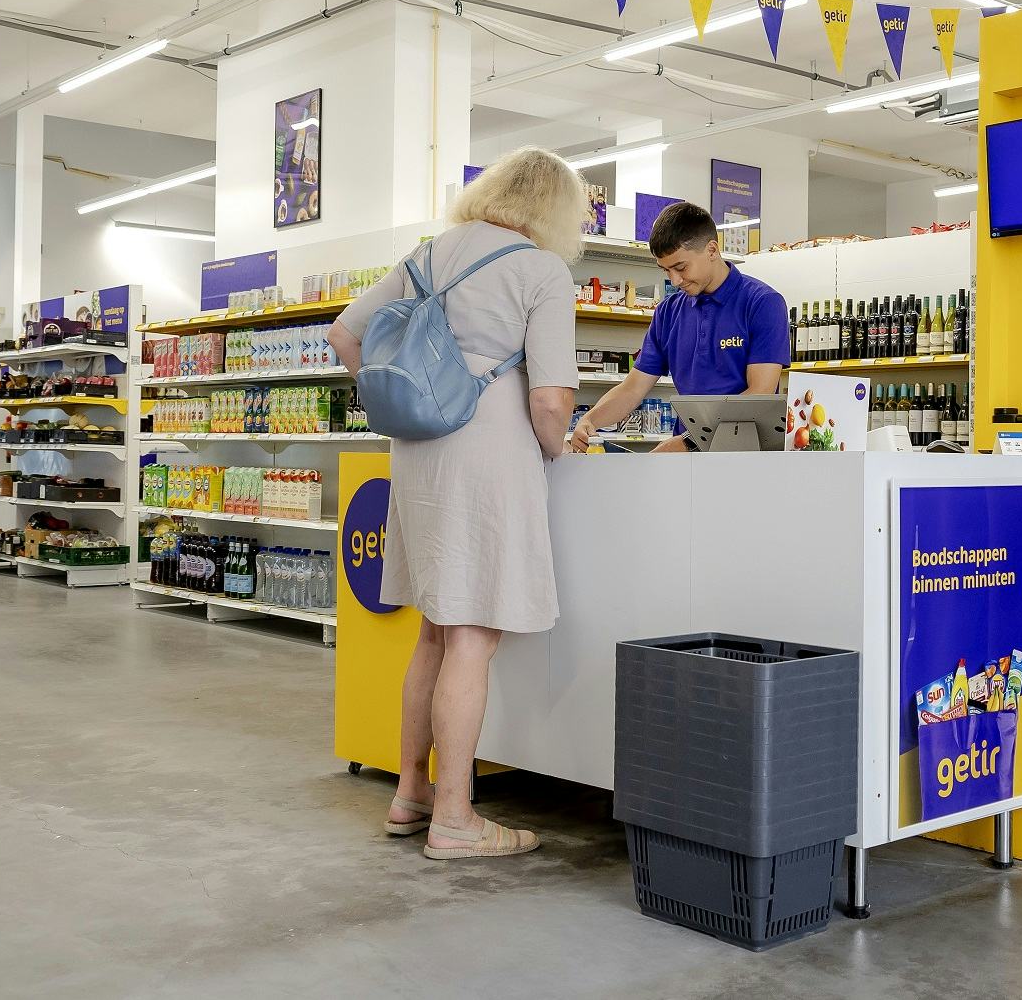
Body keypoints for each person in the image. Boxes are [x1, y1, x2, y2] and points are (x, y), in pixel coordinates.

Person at [326, 147, 588, 861]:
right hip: (488, 456)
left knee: (434, 632)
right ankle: (455, 817)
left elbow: (344, 333)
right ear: (556, 210)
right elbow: (551, 400)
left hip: (417, 452)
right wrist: (562, 446)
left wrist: (409, 396)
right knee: (473, 636)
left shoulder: (428, 254)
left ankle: (410, 791)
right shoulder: (541, 271)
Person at [567, 202, 789, 452]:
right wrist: (590, 420)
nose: (674, 280)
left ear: (712, 250)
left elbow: (759, 394)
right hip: (687, 457)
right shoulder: (668, 312)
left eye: (681, 267)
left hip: (746, 457)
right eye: (665, 270)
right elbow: (633, 388)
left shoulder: (762, 303)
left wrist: (689, 442)